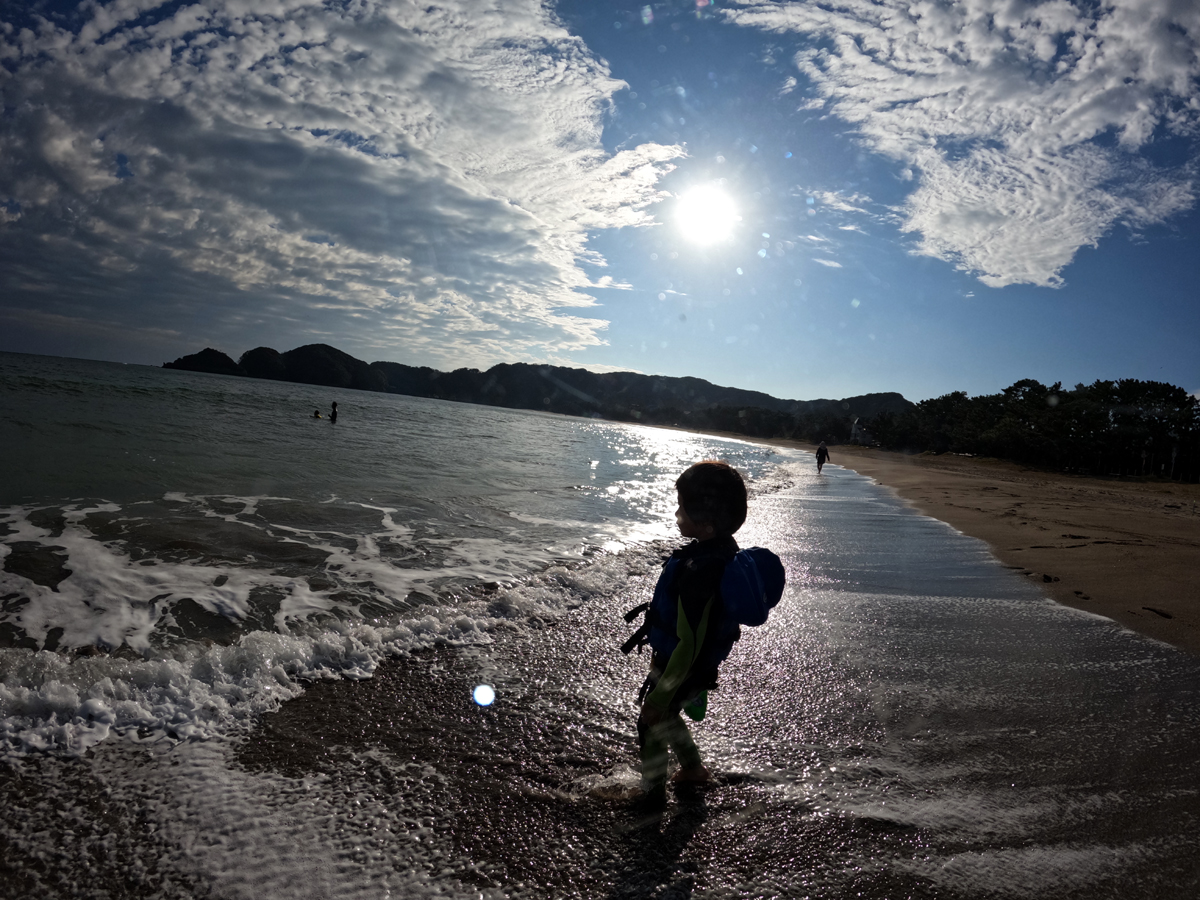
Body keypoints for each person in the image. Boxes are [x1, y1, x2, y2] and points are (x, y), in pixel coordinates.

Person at [629, 460, 783, 808]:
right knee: (667, 717)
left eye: (682, 508)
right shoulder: (721, 552)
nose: (676, 513)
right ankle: (693, 769)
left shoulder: (700, 573)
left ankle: (651, 793)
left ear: (707, 525)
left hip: (683, 666)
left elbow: (690, 642)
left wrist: (660, 694)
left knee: (652, 722)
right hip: (695, 667)